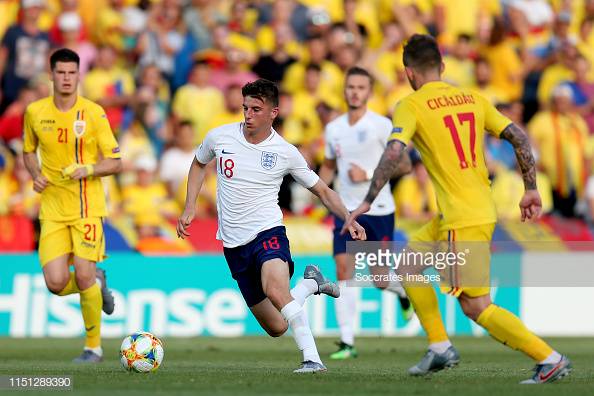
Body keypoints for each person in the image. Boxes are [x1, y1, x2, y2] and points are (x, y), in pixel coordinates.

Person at [342, 34, 571, 384]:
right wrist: (530, 190)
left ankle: (549, 358)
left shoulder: (411, 104)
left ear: (408, 73)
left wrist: (368, 200)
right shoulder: (473, 98)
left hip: (462, 217)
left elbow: (393, 153)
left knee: (476, 306)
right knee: (408, 263)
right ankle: (438, 346)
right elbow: (520, 138)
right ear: (443, 67)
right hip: (473, 208)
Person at [177, 78, 366, 373]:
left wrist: (349, 217)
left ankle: (312, 359)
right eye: (245, 108)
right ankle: (310, 284)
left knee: (276, 290)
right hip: (233, 245)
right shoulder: (220, 137)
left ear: (273, 112)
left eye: (255, 109)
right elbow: (199, 163)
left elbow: (323, 191)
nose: (248, 115)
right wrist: (190, 205)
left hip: (268, 232)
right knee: (277, 326)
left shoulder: (285, 152)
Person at [22, 48, 122, 363]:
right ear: (51, 75)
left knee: (81, 275)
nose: (66, 78)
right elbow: (28, 150)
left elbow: (115, 162)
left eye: (71, 73)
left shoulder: (93, 112)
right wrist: (35, 174)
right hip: (51, 209)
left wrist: (88, 169)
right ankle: (97, 281)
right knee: (54, 283)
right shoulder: (35, 112)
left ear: (79, 75)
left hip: (87, 208)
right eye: (61, 72)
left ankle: (93, 347)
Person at [318, 66, 413, 360]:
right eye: (350, 87)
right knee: (344, 272)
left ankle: (404, 293)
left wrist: (370, 173)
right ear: (344, 90)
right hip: (345, 211)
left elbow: (406, 166)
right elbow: (329, 166)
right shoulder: (333, 129)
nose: (355, 92)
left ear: (369, 92)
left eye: (360, 87)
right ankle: (347, 342)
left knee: (380, 279)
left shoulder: (382, 126)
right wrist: (318, 190)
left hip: (378, 209)